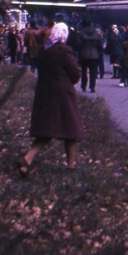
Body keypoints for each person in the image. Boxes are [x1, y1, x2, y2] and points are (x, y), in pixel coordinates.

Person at [20, 22, 84, 175]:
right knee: (72, 129)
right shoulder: (65, 51)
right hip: (63, 95)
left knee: (46, 130)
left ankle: (27, 159)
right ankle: (70, 166)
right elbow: (75, 74)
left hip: (44, 93)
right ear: (64, 35)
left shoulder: (44, 50)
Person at [76, 19, 102, 93]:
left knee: (84, 72)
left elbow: (78, 45)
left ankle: (83, 86)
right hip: (94, 54)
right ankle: (92, 87)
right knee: (93, 72)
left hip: (84, 54)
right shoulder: (96, 34)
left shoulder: (80, 33)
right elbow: (100, 45)